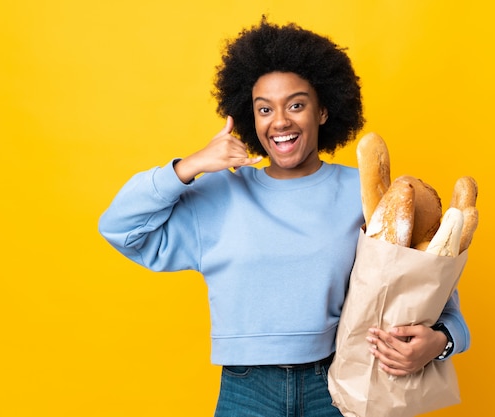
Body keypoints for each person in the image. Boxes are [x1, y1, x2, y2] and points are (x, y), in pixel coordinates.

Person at [98, 17, 470, 417]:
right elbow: (120, 227)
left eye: (296, 104)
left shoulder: (364, 193)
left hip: (341, 383)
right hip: (246, 392)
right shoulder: (220, 194)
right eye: (264, 109)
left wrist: (442, 341)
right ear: (249, 118)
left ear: (323, 111)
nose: (280, 121)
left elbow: (433, 295)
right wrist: (190, 166)